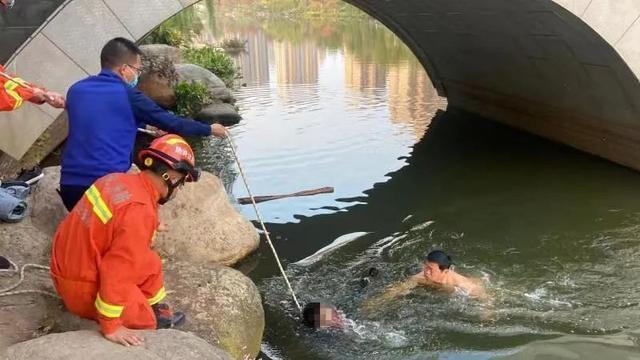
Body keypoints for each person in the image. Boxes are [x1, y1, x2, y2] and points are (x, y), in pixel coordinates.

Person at [50, 134, 199, 346]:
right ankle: (151, 318)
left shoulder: (117, 180)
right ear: (171, 177)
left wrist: (151, 225)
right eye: (182, 183)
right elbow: (116, 271)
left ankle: (157, 306)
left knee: (151, 261)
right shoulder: (139, 212)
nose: (180, 189)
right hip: (82, 286)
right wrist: (111, 325)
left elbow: (114, 219)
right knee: (144, 319)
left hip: (68, 266)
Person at [59, 37, 227, 211]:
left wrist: (148, 127)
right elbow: (173, 123)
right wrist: (209, 129)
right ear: (124, 69)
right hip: (103, 189)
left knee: (89, 229)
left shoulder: (76, 90)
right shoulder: (128, 95)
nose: (137, 75)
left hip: (69, 188)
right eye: (137, 70)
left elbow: (104, 118)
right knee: (132, 223)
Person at [362, 250, 488, 310]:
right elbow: (399, 288)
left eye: (431, 269)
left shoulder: (462, 284)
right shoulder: (421, 277)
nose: (426, 272)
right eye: (425, 266)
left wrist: (487, 313)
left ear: (445, 271)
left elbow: (486, 298)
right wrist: (376, 302)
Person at [0, 64, 65, 111]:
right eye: (62, 98)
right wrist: (45, 94)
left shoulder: (12, 103)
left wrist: (40, 94)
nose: (59, 100)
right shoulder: (25, 90)